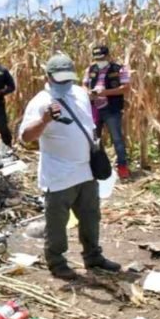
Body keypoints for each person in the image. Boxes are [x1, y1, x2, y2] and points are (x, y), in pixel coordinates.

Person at [19, 53, 121, 280]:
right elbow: (25, 137)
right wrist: (45, 120)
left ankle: (93, 257)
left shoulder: (79, 93)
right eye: (60, 78)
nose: (65, 82)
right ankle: (57, 263)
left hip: (86, 171)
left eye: (68, 78)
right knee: (57, 224)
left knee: (91, 218)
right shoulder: (40, 102)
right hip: (59, 175)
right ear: (48, 76)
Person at [82, 45, 132, 179]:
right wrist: (88, 92)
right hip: (94, 109)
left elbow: (126, 88)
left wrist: (105, 92)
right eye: (97, 58)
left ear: (108, 56)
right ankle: (97, 167)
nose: (99, 61)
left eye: (102, 58)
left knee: (117, 139)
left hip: (112, 109)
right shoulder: (90, 69)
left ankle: (122, 167)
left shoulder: (119, 69)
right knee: (94, 139)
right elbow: (84, 84)